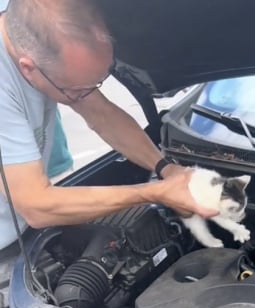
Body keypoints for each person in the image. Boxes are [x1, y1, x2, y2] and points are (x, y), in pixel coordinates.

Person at [0, 0, 219, 252]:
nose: (87, 95)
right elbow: (37, 206)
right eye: (78, 90)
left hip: (23, 228)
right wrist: (156, 192)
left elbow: (101, 113)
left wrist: (166, 168)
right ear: (28, 68)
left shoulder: (47, 54)